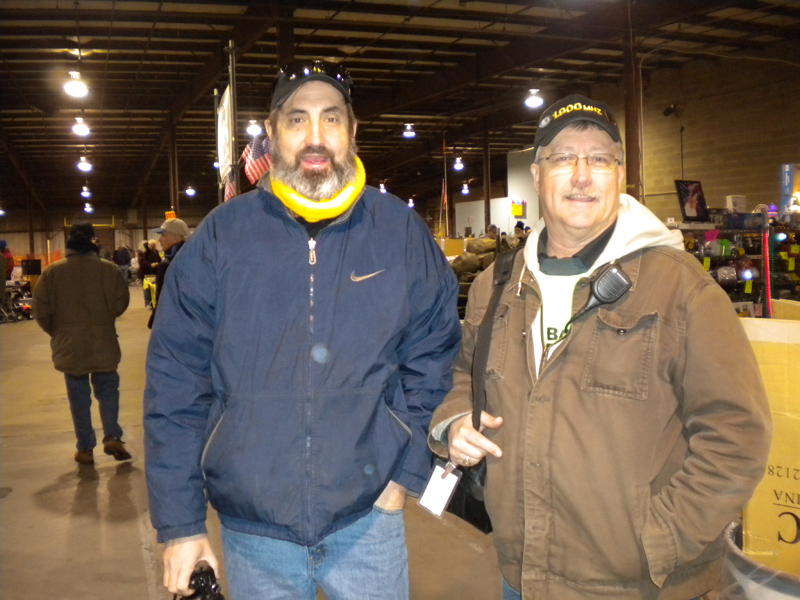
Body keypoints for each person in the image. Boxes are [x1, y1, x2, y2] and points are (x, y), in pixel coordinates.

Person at [428, 94, 771, 600]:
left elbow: (737, 433)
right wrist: (457, 420)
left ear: (620, 176)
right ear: (538, 176)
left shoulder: (680, 289)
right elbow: (463, 374)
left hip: (638, 586)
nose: (582, 176)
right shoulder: (496, 286)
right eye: (563, 158)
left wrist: (661, 538)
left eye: (600, 160)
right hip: (519, 574)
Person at [144, 60, 461, 600]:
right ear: (272, 132)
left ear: (352, 130)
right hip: (254, 531)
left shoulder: (399, 231)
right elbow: (176, 385)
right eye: (297, 120)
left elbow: (434, 355)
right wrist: (181, 524)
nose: (316, 137)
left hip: (369, 520)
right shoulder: (221, 238)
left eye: (331, 119)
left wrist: (404, 477)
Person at [33, 223, 132, 465]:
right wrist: (104, 319)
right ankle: (112, 436)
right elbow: (121, 302)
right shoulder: (108, 269)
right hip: (103, 341)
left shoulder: (52, 272)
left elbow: (40, 309)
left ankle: (85, 448)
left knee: (78, 398)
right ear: (93, 241)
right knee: (108, 391)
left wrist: (57, 331)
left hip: (70, 345)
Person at [147, 218, 189, 329]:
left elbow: (163, 299)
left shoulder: (167, 264)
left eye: (163, 235)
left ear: (175, 237)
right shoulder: (194, 259)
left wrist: (155, 321)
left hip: (173, 324)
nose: (159, 240)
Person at [137, 239, 160, 308]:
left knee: (154, 288)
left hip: (154, 273)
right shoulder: (142, 252)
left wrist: (159, 264)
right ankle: (148, 303)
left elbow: (159, 259)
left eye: (155, 246)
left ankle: (154, 302)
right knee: (147, 289)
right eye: (153, 246)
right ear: (149, 245)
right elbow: (141, 262)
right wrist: (150, 265)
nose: (154, 248)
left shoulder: (155, 251)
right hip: (145, 273)